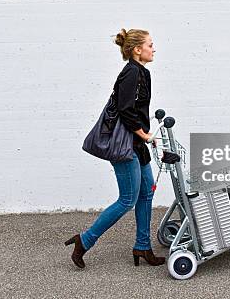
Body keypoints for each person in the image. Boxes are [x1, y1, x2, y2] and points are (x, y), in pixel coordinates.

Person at [64, 28, 165, 269]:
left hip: (136, 145)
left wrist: (144, 137)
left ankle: (142, 246)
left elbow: (136, 110)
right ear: (137, 49)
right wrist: (144, 134)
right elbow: (125, 109)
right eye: (150, 45)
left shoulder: (142, 72)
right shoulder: (131, 72)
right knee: (127, 199)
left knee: (146, 194)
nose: (154, 48)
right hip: (125, 146)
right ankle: (85, 240)